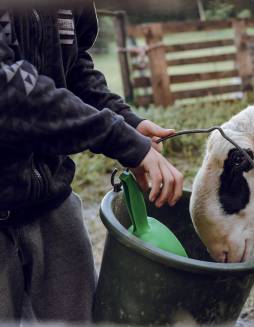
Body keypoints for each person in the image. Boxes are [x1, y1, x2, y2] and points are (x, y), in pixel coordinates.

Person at [0, 3, 184, 323]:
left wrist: (127, 123)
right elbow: (10, 91)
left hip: (51, 199)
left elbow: (73, 71)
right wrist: (121, 140)